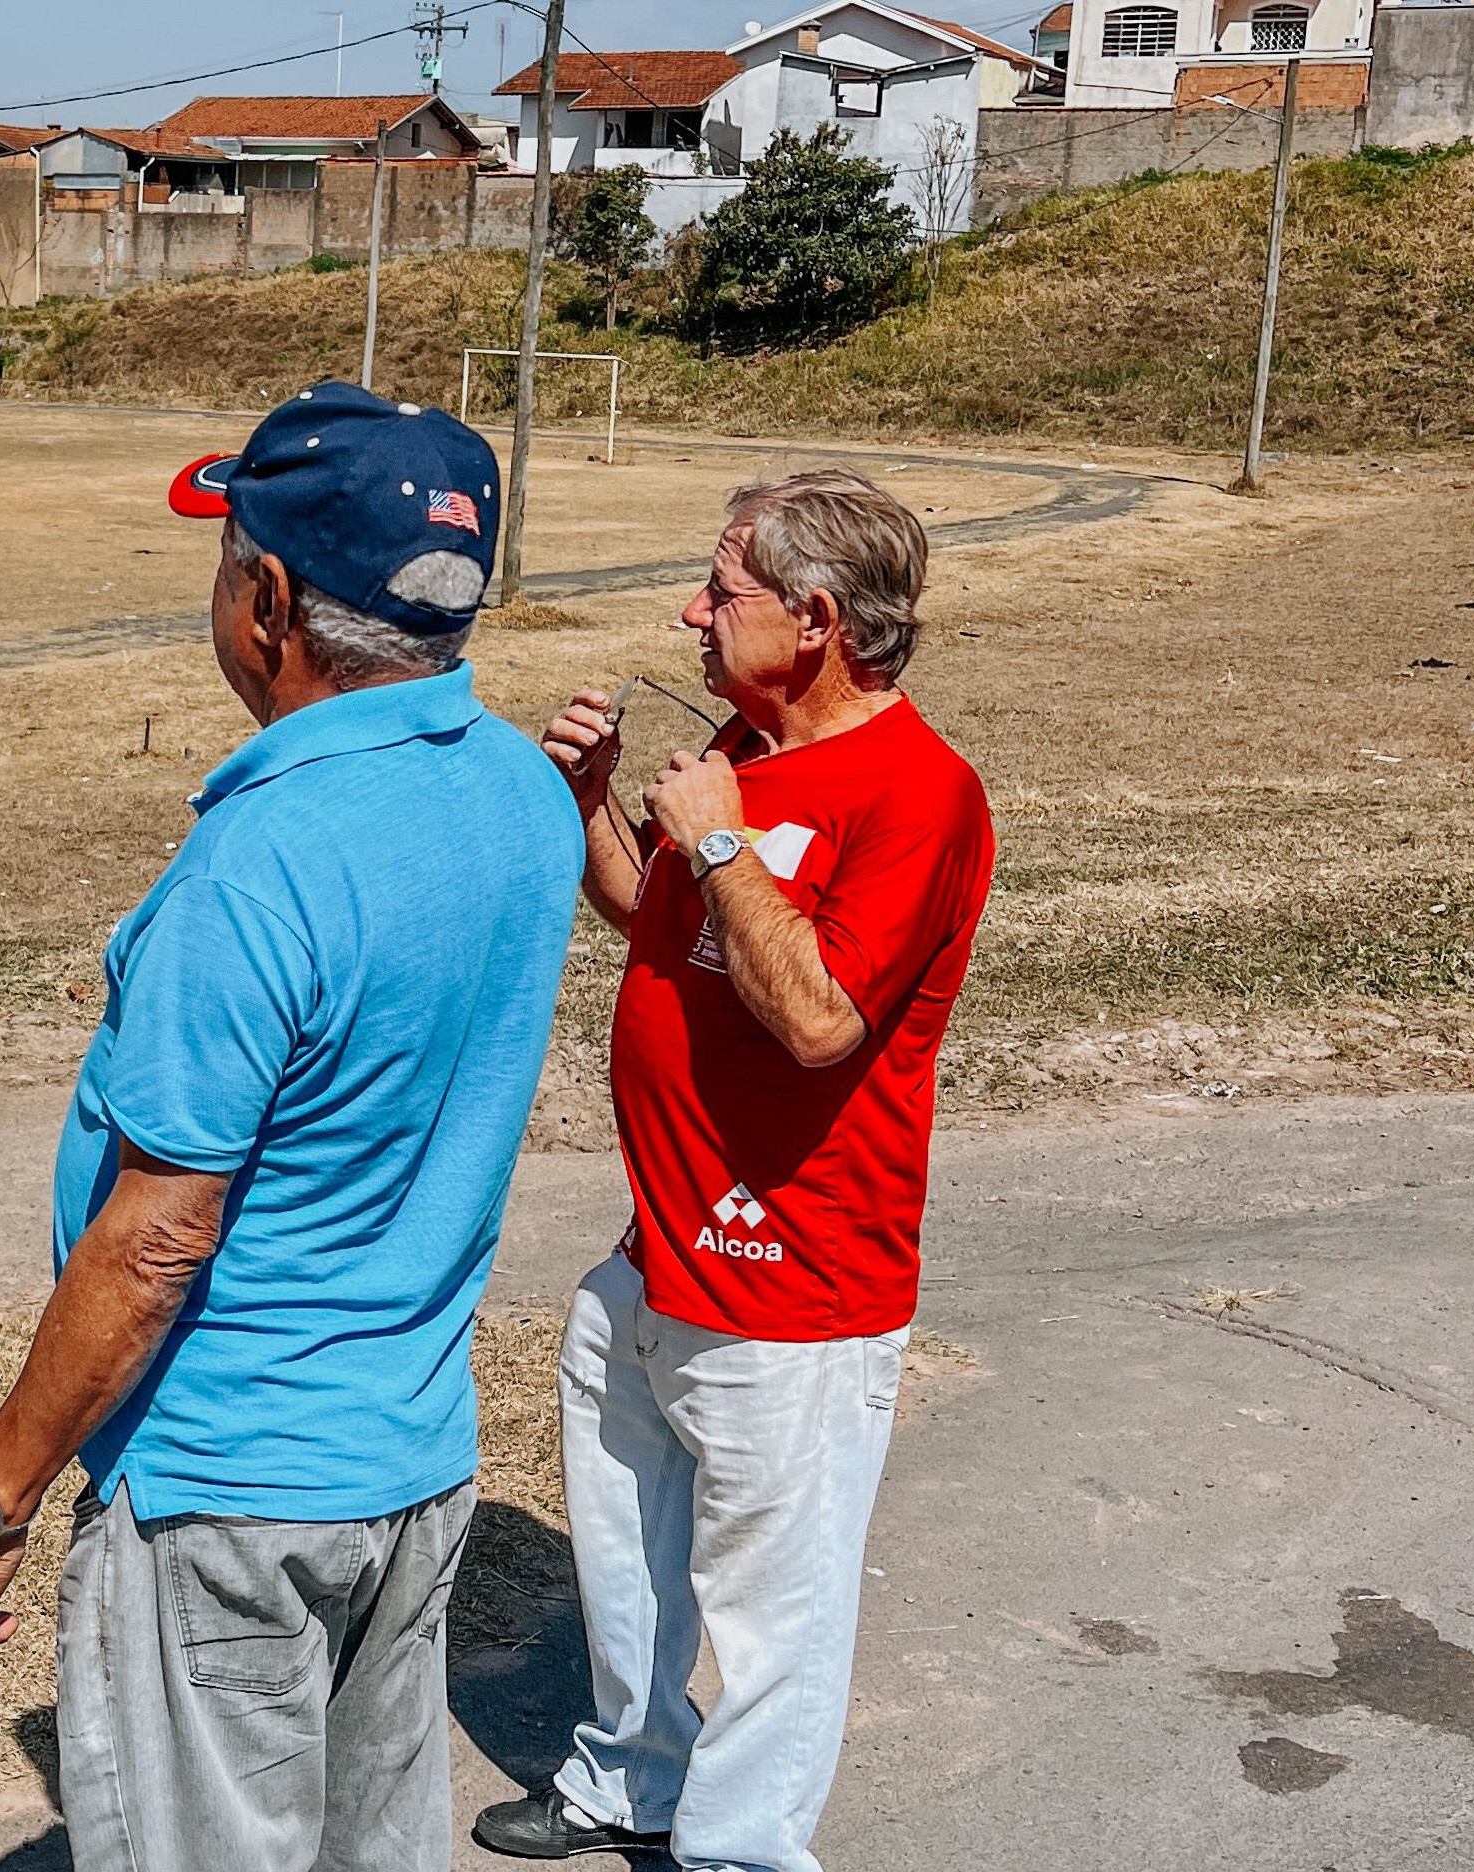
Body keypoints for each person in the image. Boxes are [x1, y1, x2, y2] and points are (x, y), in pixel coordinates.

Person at [0, 383, 584, 1871]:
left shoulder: (259, 865)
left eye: (224, 563)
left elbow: (155, 1242)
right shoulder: (525, 793)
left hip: (230, 1487)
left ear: (267, 599)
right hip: (410, 1458)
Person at [473, 471, 994, 1871]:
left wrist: (713, 835)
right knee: (624, 1553)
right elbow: (659, 914)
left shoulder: (920, 795)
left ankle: (741, 1850)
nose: (691, 615)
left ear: (815, 620)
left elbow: (819, 1019)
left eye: (720, 591)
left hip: (795, 1285)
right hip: (659, 1248)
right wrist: (595, 802)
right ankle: (630, 1777)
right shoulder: (742, 746)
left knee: (778, 1615)